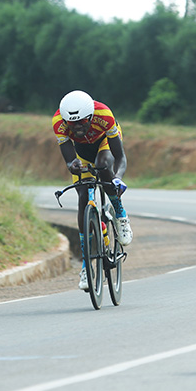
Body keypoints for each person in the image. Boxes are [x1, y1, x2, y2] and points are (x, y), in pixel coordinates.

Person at [52, 90, 133, 291]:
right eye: (72, 123)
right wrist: (74, 166)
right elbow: (70, 160)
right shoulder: (58, 123)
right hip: (82, 151)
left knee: (104, 165)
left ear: (90, 116)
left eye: (81, 122)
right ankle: (87, 264)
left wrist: (118, 178)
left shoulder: (104, 115)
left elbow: (120, 157)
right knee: (82, 195)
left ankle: (120, 213)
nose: (77, 127)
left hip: (105, 143)